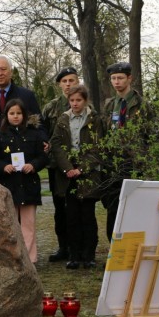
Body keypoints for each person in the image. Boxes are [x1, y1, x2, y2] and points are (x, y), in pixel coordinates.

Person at [50, 84, 104, 270]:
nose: (75, 103)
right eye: (72, 100)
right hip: (68, 174)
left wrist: (82, 168)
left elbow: (98, 147)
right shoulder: (63, 119)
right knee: (71, 216)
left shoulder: (94, 119)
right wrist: (67, 168)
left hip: (87, 173)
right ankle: (74, 255)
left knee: (87, 216)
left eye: (78, 100)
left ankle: (88, 255)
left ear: (85, 100)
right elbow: (56, 145)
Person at [0, 99, 48, 264]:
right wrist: (3, 166)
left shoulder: (34, 134)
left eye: (19, 113)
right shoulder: (0, 136)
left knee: (28, 225)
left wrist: (33, 165)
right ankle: (13, 258)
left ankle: (30, 259)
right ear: (6, 115)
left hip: (29, 185)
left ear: (25, 115)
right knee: (10, 224)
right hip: (9, 185)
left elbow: (43, 157)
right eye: (12, 113)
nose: (15, 116)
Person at [101, 61, 146, 244]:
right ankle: (114, 252)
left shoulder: (142, 105)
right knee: (113, 208)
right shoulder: (110, 105)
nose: (116, 82)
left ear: (129, 78)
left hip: (134, 163)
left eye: (120, 78)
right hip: (113, 164)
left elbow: (151, 134)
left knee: (133, 207)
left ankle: (133, 249)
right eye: (113, 78)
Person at [40, 66, 80, 263]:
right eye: (64, 81)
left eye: (71, 80)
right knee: (59, 209)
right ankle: (63, 247)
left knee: (78, 208)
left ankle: (78, 248)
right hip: (56, 166)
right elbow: (42, 131)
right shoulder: (51, 107)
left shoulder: (85, 105)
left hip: (79, 166)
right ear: (59, 85)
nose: (68, 84)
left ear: (77, 81)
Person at [0, 55, 42, 179]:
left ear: (11, 71)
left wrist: (44, 141)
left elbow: (39, 124)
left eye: (3, 69)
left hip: (22, 164)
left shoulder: (27, 95)